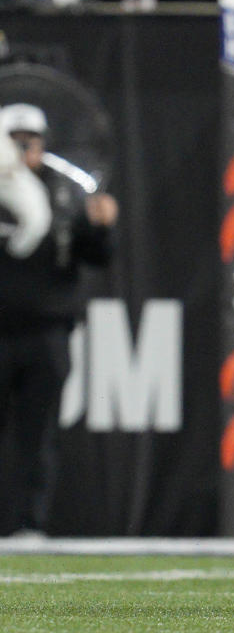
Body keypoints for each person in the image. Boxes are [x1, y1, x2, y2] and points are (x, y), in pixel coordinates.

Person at [0, 103, 118, 535]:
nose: (25, 148)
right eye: (15, 140)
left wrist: (103, 227)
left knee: (37, 434)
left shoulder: (66, 191)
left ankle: (28, 524)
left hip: (46, 333)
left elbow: (97, 256)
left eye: (33, 140)